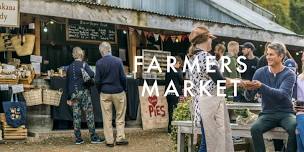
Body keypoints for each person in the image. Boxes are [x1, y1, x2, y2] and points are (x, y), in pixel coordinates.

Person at [187, 26, 235, 152]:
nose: (212, 41)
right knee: (211, 144)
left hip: (200, 103)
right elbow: (220, 81)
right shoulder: (205, 57)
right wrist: (237, 82)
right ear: (205, 39)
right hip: (210, 104)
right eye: (210, 39)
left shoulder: (192, 57)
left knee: (207, 142)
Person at [243, 42, 297, 152]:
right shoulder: (259, 72)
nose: (268, 57)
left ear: (281, 56)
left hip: (286, 113)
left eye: (271, 54)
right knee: (255, 129)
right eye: (267, 54)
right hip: (267, 113)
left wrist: (261, 86)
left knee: (294, 128)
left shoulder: (289, 74)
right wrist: (247, 89)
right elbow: (249, 97)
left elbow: (282, 95)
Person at [66, 47, 104, 144]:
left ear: (73, 55)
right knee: (89, 114)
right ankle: (93, 137)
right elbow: (91, 74)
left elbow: (67, 83)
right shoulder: (84, 64)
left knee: (76, 115)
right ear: (81, 54)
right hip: (84, 92)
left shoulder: (69, 67)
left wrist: (68, 97)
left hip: (73, 94)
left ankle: (78, 138)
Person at [95, 42, 128, 147]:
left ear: (101, 52)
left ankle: (109, 140)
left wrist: (100, 90)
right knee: (120, 116)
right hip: (118, 92)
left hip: (105, 92)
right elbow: (123, 77)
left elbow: (97, 80)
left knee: (107, 117)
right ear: (110, 49)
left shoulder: (99, 63)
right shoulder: (118, 61)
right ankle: (120, 138)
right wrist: (124, 89)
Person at [165, 56, 183, 133]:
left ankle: (170, 127)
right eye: (180, 64)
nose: (180, 66)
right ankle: (174, 127)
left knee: (170, 109)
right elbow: (181, 82)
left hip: (168, 93)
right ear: (177, 62)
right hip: (175, 93)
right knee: (176, 110)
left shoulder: (168, 70)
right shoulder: (178, 71)